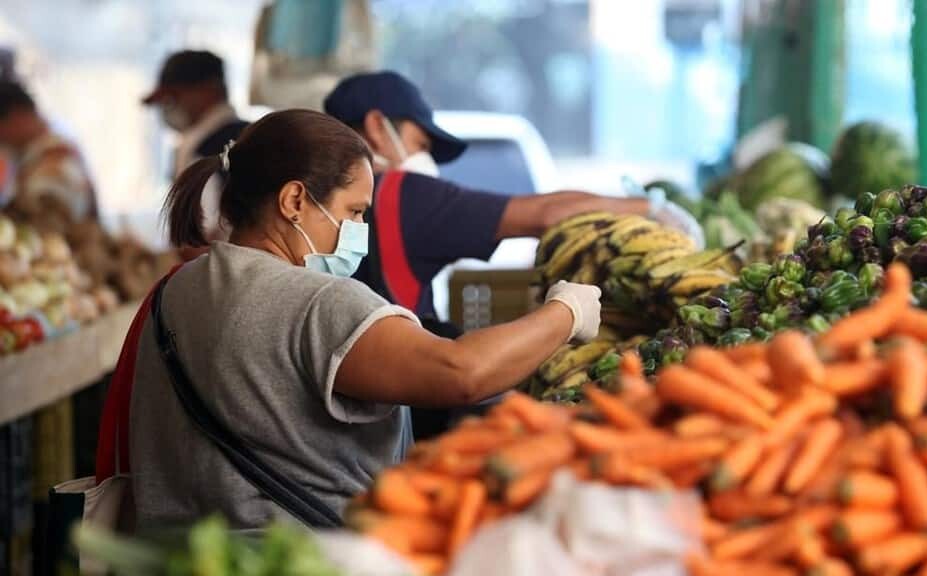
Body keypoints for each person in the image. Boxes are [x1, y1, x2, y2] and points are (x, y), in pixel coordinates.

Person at [128, 109, 601, 530]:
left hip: (171, 573)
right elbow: (462, 372)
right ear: (294, 201)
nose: (360, 231)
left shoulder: (175, 290)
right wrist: (566, 312)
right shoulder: (319, 303)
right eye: (354, 211)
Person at [322, 71, 702, 321]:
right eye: (420, 143)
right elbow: (546, 214)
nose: (424, 161)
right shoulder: (402, 197)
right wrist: (651, 209)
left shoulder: (312, 195)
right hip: (392, 408)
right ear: (376, 127)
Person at [143, 50, 249, 248]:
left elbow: (198, 241)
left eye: (174, 97)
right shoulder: (255, 134)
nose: (168, 108)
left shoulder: (203, 151)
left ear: (208, 91)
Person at [0, 81, 98, 231]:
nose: (3, 140)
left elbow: (47, 229)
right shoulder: (43, 154)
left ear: (17, 117)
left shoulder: (54, 162)